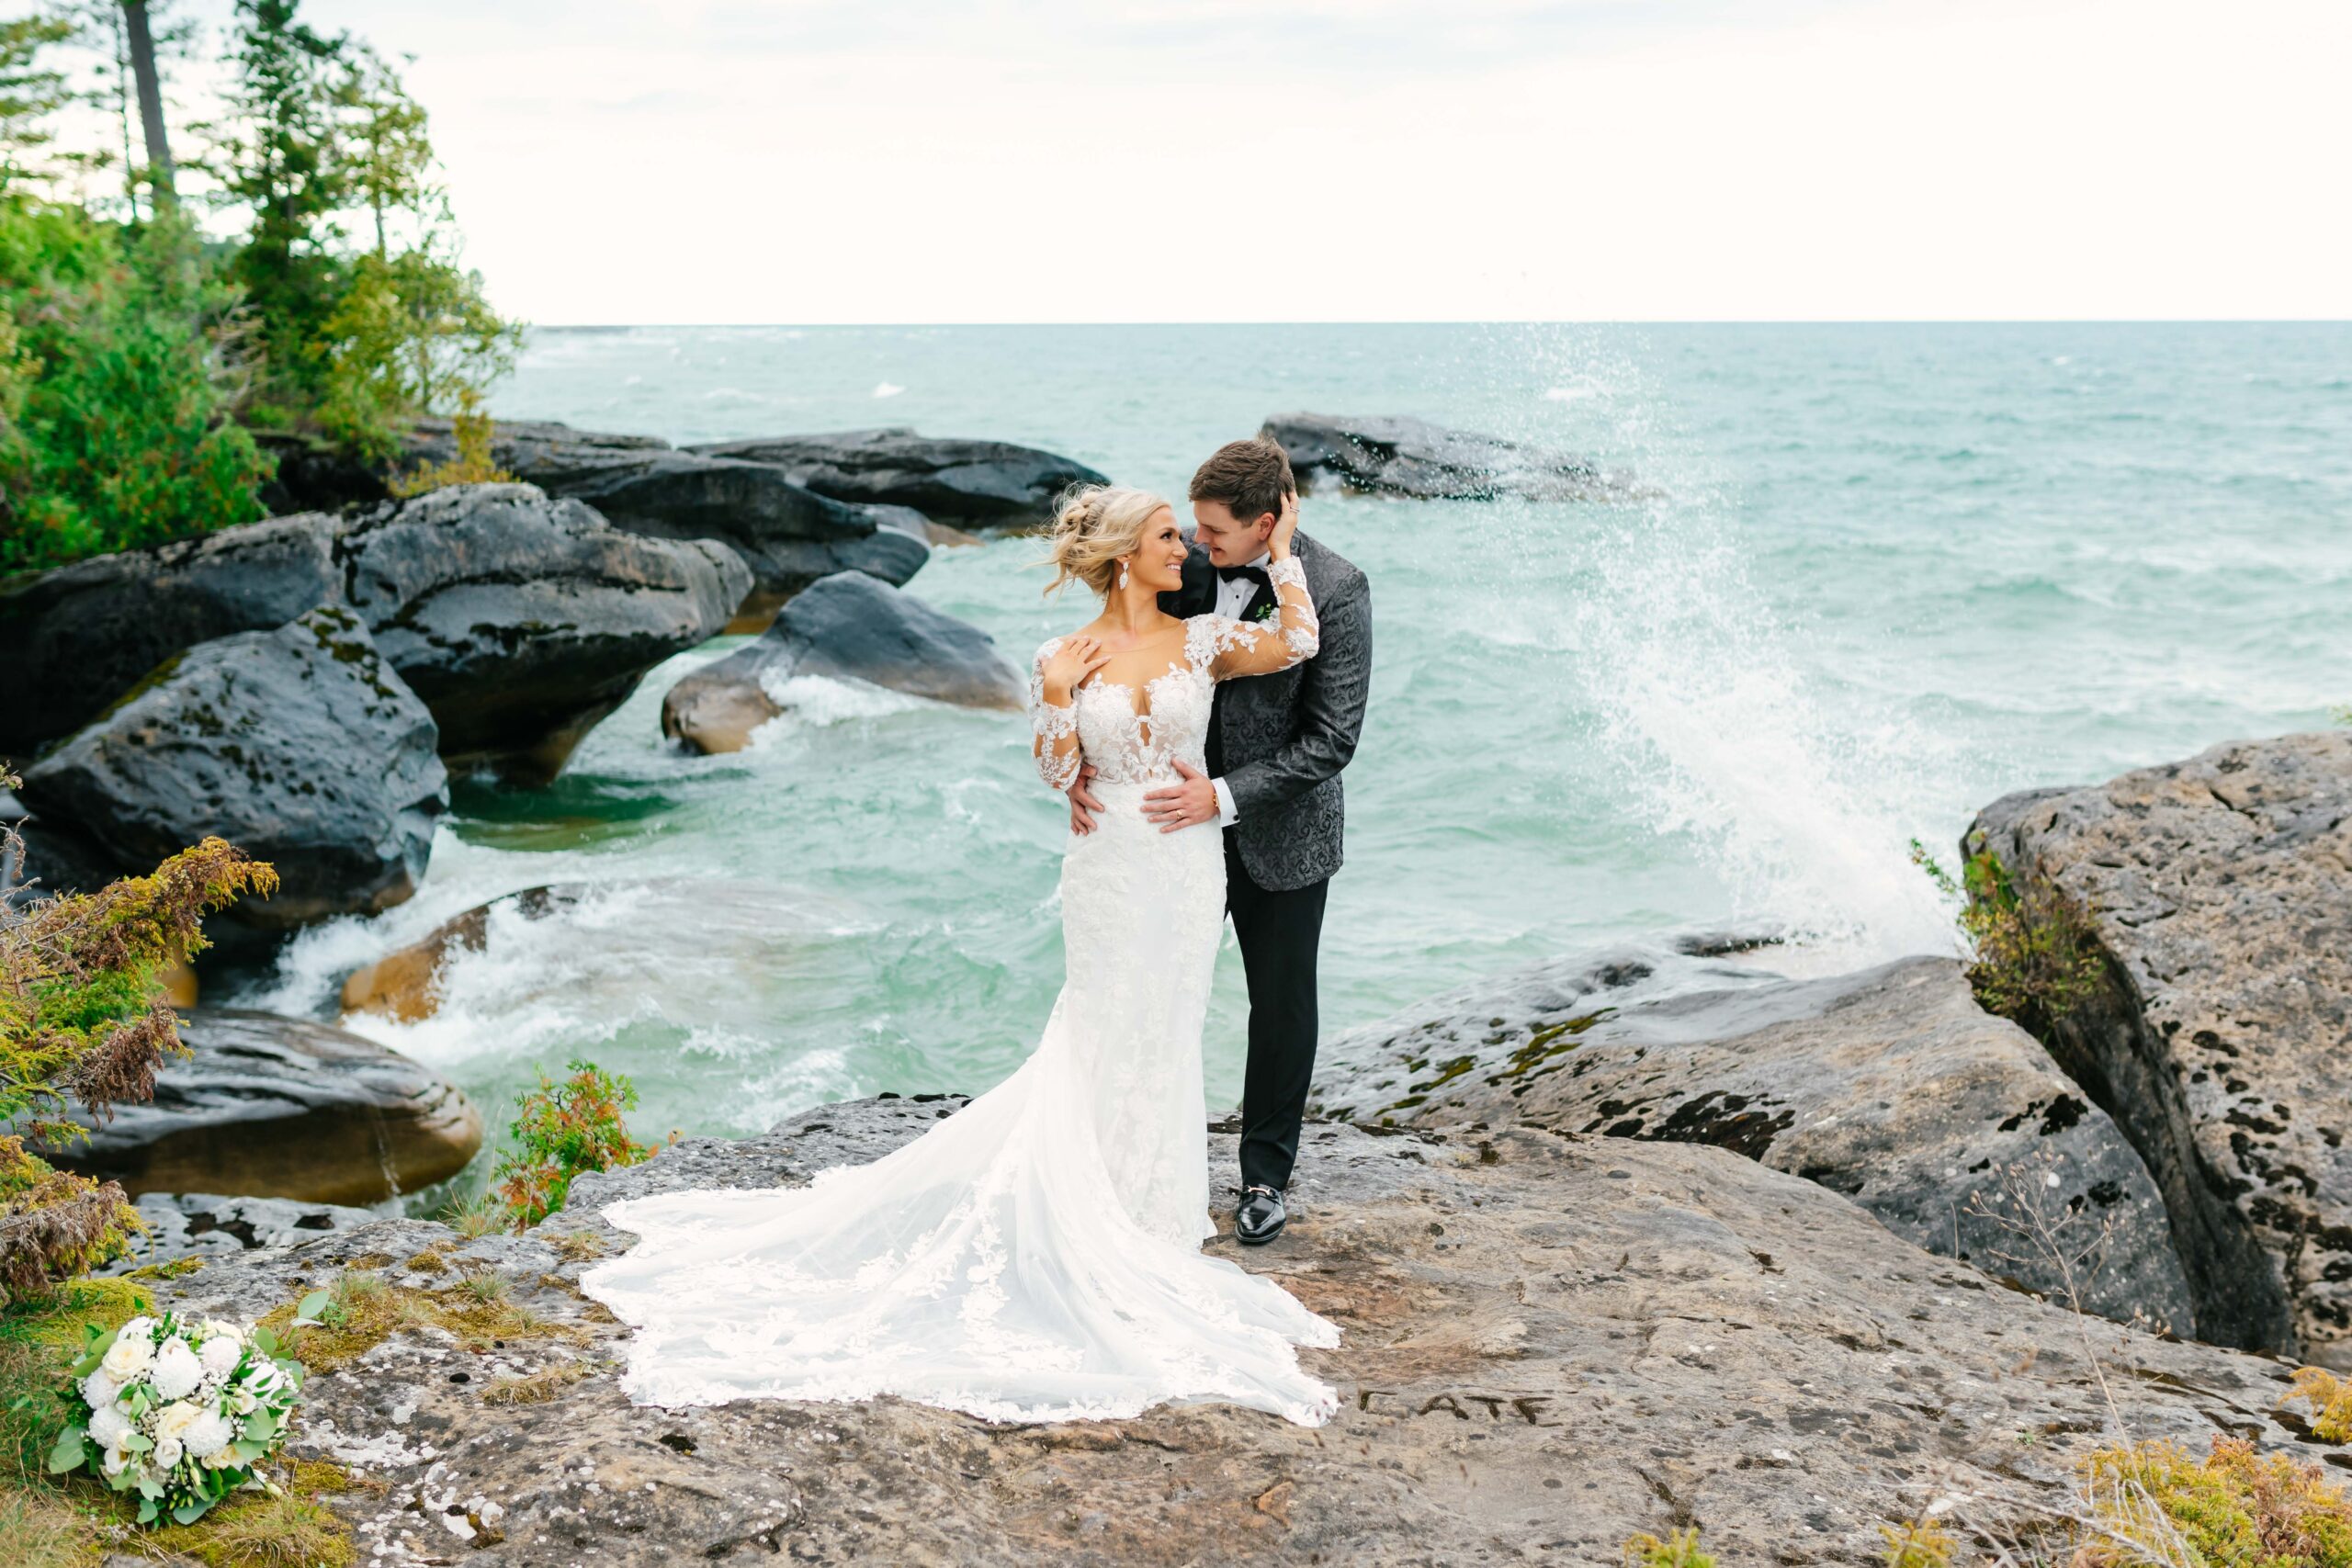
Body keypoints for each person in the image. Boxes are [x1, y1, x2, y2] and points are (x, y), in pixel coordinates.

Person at [581, 482, 1340, 1427]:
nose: (1180, 548)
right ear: (1120, 558)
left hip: (1185, 869)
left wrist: (1286, 549)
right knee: (1100, 1022)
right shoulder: (1058, 655)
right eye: (1161, 538)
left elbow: (1297, 642)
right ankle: (1083, 1207)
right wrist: (1061, 700)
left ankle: (1151, 1210)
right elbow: (1059, 774)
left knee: (1168, 1026)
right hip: (1107, 867)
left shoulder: (1198, 641)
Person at [1066, 438, 1373, 1245]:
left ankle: (1265, 1177)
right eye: (1190, 531)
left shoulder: (1338, 589)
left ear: (1264, 524)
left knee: (1279, 1003)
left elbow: (1332, 739)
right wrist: (1086, 767)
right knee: (1150, 988)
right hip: (1166, 835)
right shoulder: (1182, 569)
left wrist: (1224, 795)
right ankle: (1128, 1159)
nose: (1197, 545)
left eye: (1213, 533)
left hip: (1281, 831)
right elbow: (1133, 672)